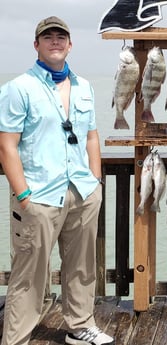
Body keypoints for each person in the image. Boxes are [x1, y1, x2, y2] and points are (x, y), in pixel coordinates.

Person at [0, 16, 114, 345]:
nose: (55, 41)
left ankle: (80, 327)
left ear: (70, 44)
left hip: (81, 192)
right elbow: (6, 145)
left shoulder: (84, 87)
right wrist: (24, 196)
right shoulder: (17, 88)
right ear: (36, 45)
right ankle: (16, 339)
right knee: (28, 275)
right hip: (38, 197)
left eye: (60, 36)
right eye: (47, 37)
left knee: (81, 267)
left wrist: (96, 184)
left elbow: (92, 136)